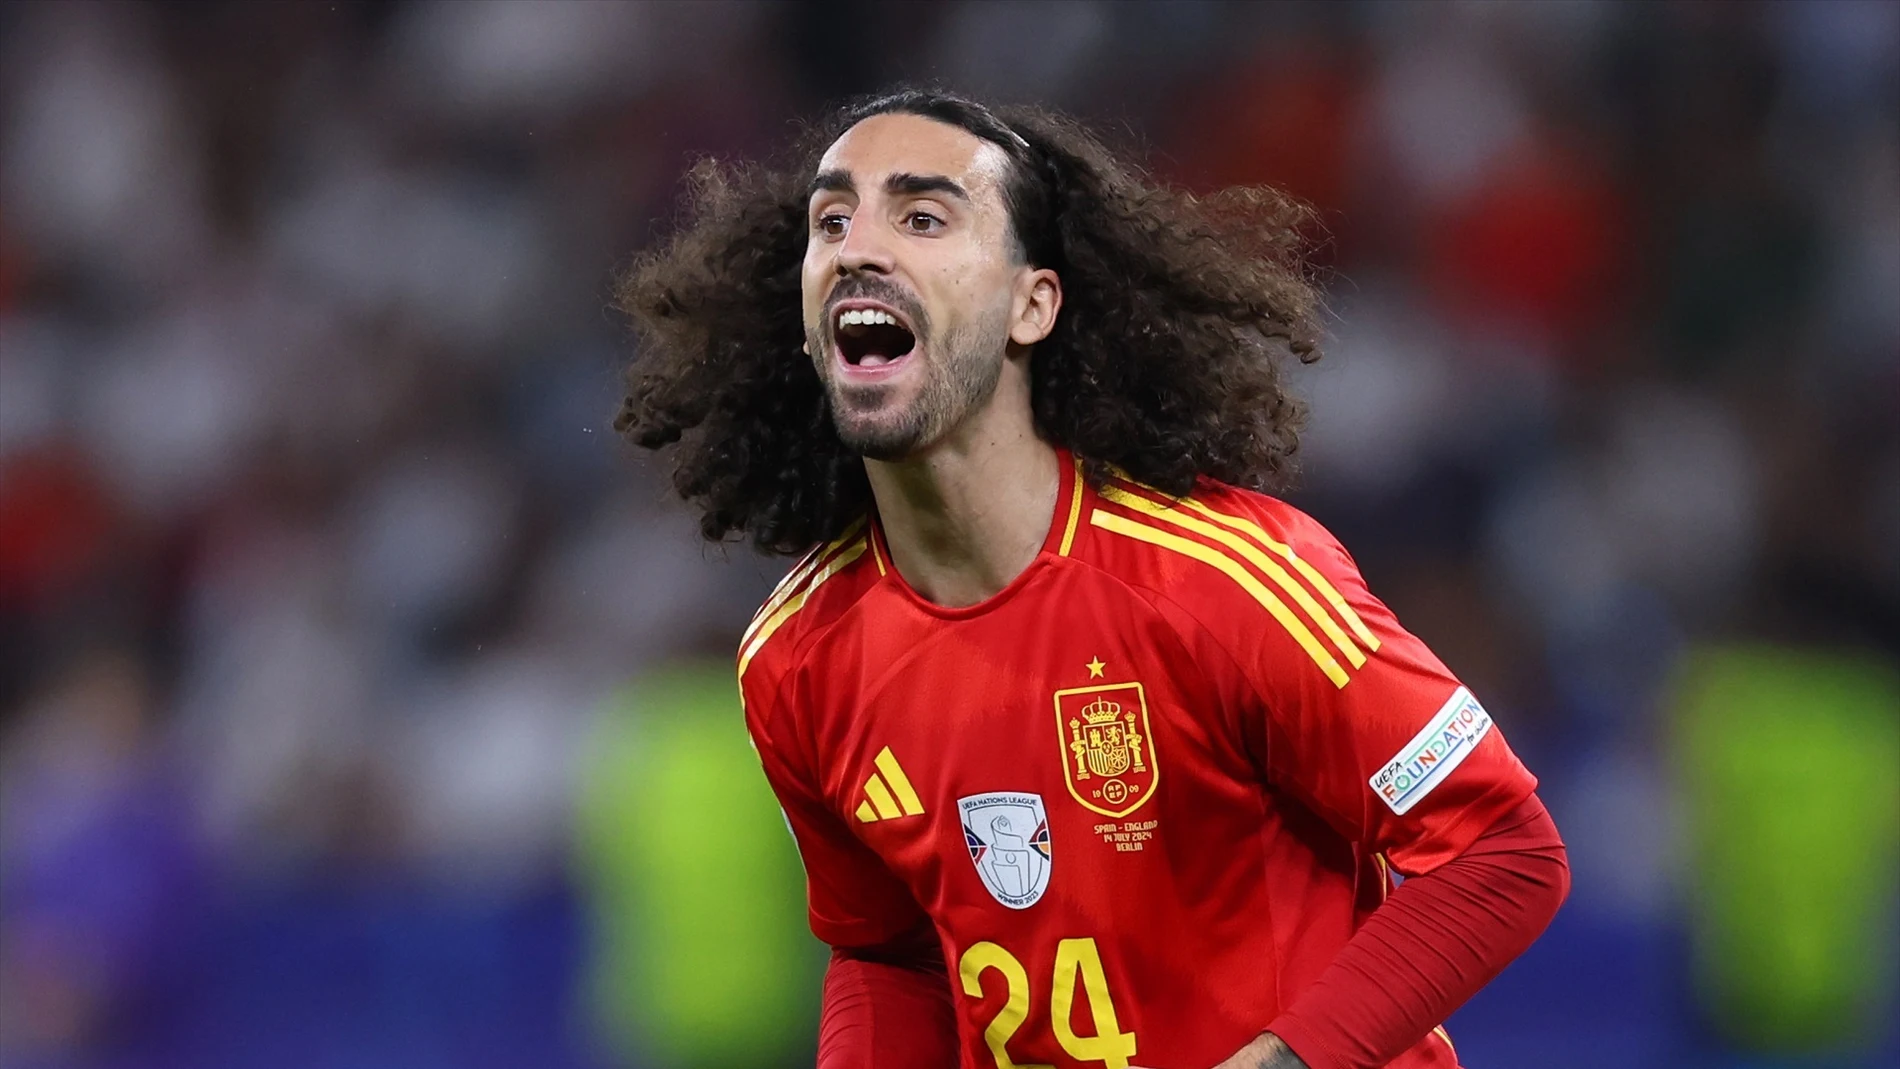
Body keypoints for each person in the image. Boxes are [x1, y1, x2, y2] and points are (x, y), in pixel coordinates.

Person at [615, 88, 1569, 1069]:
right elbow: (886, 949)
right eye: (832, 219)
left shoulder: (1223, 581)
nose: (861, 246)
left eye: (923, 216)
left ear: (1032, 303)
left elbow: (1504, 847)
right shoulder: (798, 655)